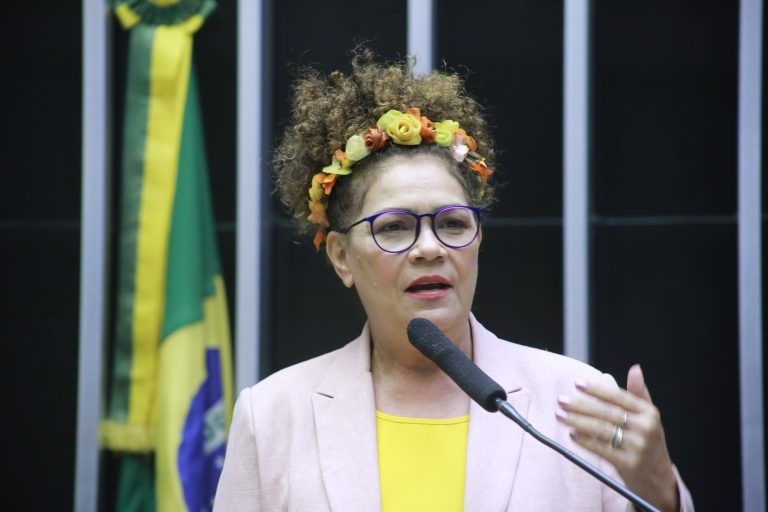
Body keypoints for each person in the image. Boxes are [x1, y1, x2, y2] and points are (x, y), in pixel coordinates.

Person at [213, 49, 694, 512]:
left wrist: (660, 494)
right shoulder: (274, 415)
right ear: (341, 257)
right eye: (394, 227)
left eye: (453, 223)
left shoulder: (577, 400)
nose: (430, 247)